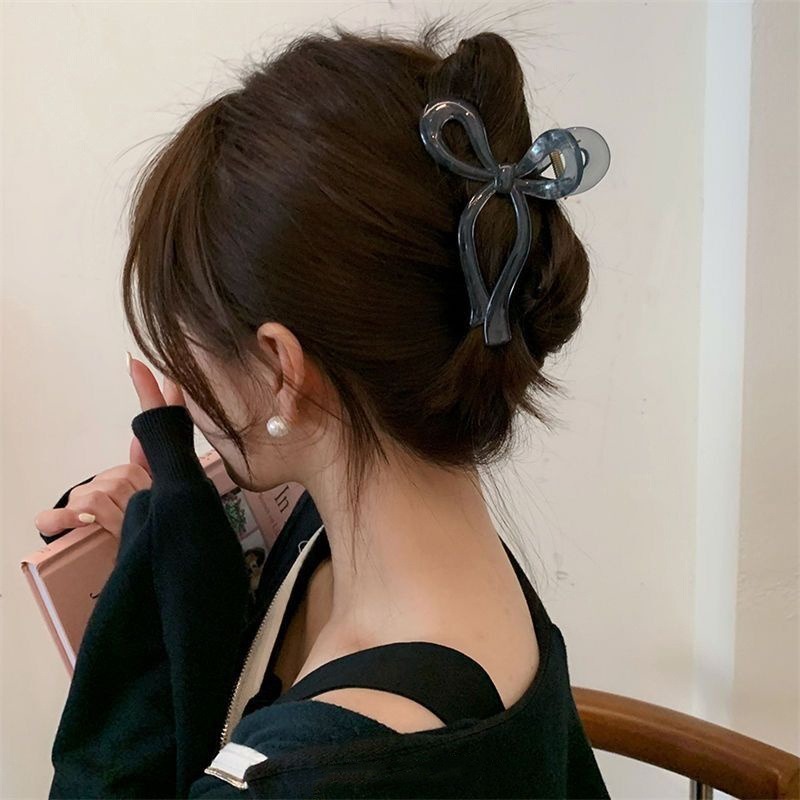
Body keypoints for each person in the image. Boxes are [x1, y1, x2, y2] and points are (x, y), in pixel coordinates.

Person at [33, 19, 611, 799]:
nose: (183, 380)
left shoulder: (308, 776)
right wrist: (174, 549)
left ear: (282, 368)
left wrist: (136, 636)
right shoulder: (421, 561)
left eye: (188, 343)